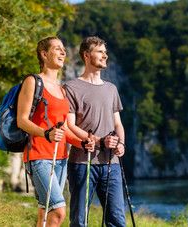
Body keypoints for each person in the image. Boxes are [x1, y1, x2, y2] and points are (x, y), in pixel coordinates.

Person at [17, 36, 94, 227]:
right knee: (59, 211)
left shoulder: (61, 89)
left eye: (63, 49)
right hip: (39, 155)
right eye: (57, 49)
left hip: (60, 158)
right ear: (44, 55)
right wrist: (45, 134)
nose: (63, 52)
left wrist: (82, 143)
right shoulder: (32, 82)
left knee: (45, 212)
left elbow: (65, 129)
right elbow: (22, 120)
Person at [63, 36, 126, 227]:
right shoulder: (71, 87)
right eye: (100, 51)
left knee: (116, 220)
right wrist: (99, 141)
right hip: (82, 163)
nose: (105, 55)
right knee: (80, 220)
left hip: (111, 164)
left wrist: (121, 144)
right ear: (86, 55)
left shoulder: (111, 88)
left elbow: (118, 124)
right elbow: (70, 125)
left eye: (105, 52)